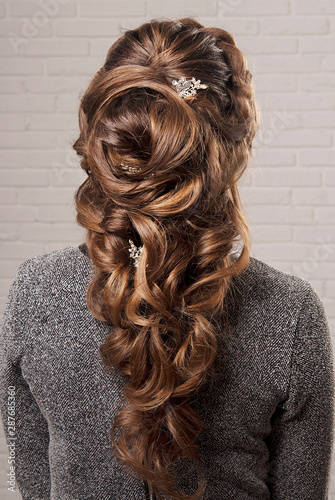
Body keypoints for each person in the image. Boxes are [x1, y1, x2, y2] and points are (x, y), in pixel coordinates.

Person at [0, 17, 334, 500]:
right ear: (233, 151)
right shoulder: (290, 313)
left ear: (109, 142)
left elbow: (29, 482)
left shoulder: (35, 293)